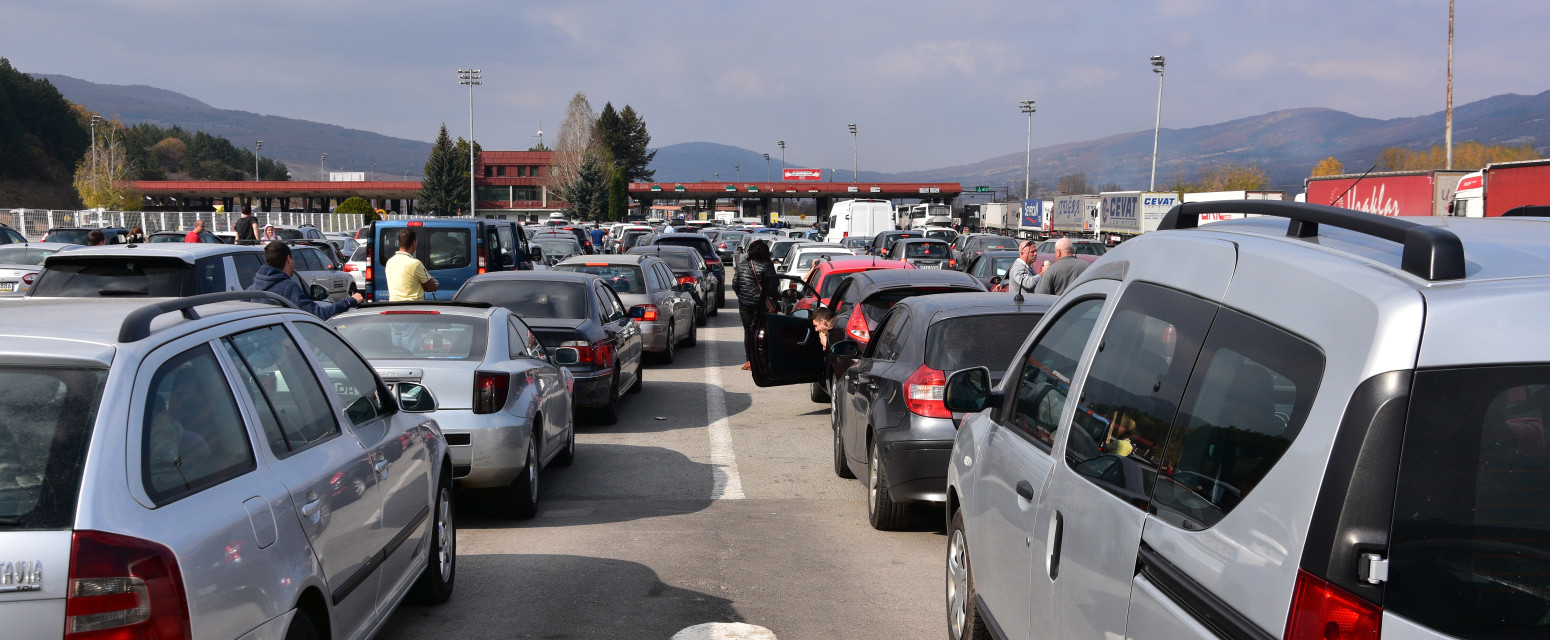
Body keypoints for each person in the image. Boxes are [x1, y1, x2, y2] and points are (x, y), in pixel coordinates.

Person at [248, 241, 362, 319]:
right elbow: (318, 314)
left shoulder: (252, 290)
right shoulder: (288, 288)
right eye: (293, 259)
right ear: (288, 259)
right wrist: (350, 301)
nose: (294, 263)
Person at [734, 239, 776, 370]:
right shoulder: (767, 264)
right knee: (763, 331)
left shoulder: (743, 264)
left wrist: (742, 296)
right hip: (761, 304)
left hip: (745, 304)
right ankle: (763, 360)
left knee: (748, 332)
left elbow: (735, 283)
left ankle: (749, 361)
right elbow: (774, 285)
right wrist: (770, 297)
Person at [385, 228, 438, 301]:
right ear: (414, 243)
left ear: (398, 242)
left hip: (394, 308)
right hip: (413, 308)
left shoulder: (390, 262)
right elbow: (432, 287)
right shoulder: (415, 264)